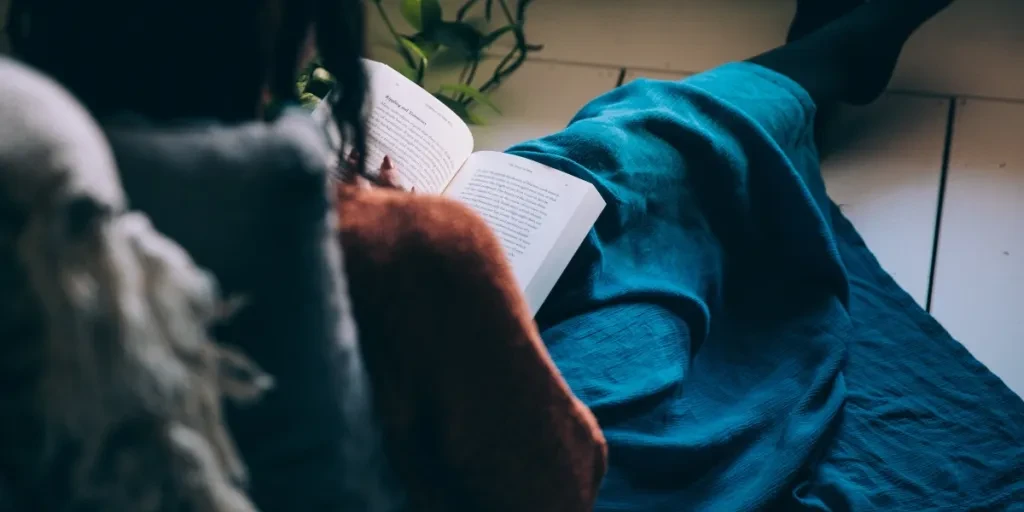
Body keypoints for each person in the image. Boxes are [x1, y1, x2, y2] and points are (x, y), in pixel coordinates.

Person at [8, 0, 1024, 511]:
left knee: (607, 162)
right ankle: (832, 59)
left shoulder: (38, 211)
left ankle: (823, 59)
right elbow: (559, 474)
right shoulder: (393, 246)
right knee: (640, 153)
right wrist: (437, 260)